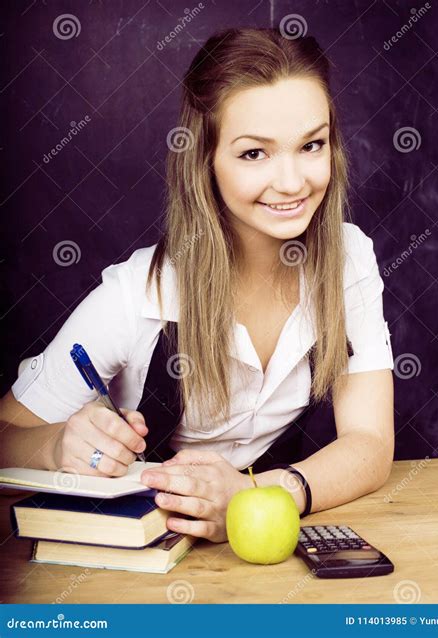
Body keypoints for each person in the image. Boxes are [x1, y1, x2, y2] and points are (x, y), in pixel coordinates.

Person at [0, 27, 394, 543]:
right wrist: (56, 447)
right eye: (254, 153)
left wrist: (261, 495)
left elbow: (369, 442)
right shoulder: (135, 296)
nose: (294, 182)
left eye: (311, 145)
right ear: (204, 162)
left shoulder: (349, 259)